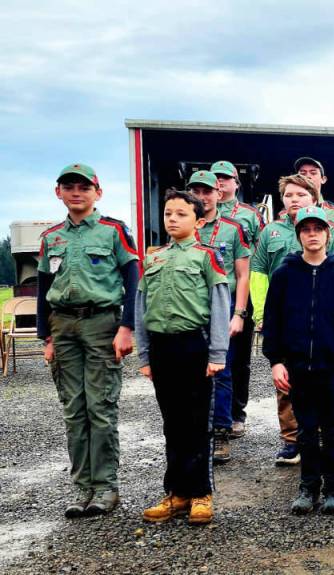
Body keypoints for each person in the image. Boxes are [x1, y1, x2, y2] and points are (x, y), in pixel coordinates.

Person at [36, 163, 139, 518]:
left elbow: (132, 278)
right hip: (63, 327)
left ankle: (106, 488)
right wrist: (45, 337)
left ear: (98, 192)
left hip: (101, 325)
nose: (76, 192)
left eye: (83, 186)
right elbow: (43, 289)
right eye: (68, 187)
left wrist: (127, 327)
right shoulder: (52, 237)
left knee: (100, 407)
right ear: (58, 192)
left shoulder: (113, 231)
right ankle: (82, 488)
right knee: (73, 411)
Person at [262, 206, 334, 515]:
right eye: (306, 230)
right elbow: (272, 321)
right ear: (299, 236)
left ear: (327, 234)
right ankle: (308, 486)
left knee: (332, 429)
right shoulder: (284, 275)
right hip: (297, 368)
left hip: (331, 368)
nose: (312, 235)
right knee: (306, 430)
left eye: (317, 229)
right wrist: (276, 361)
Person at [136, 189, 230, 525]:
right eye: (168, 213)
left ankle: (201, 494)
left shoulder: (207, 257)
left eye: (181, 214)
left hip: (194, 346)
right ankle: (176, 493)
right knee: (171, 423)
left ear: (198, 220)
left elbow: (220, 306)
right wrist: (144, 354)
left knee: (195, 423)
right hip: (162, 348)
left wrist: (217, 352)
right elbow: (141, 308)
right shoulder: (154, 258)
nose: (172, 219)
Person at [250, 174, 334, 466]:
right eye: (289, 195)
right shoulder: (271, 232)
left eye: (301, 195)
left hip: (320, 321)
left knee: (321, 386)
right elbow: (258, 272)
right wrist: (260, 313)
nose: (295, 199)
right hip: (285, 317)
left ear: (314, 198)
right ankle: (292, 440)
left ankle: (318, 437)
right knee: (286, 384)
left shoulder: (325, 229)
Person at [188, 170, 251, 464]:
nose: (202, 198)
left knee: (222, 370)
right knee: (193, 372)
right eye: (196, 192)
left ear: (218, 192)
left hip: (222, 306)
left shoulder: (232, 228)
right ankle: (198, 432)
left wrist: (239, 313)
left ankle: (222, 432)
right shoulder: (185, 225)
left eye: (207, 191)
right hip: (191, 307)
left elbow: (243, 273)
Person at [211, 160, 262, 440]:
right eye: (216, 178)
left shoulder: (250, 215)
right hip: (210, 296)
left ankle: (237, 412)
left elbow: (261, 249)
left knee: (239, 357)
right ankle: (216, 415)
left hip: (243, 290)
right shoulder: (199, 212)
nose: (220, 183)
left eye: (225, 178)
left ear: (236, 183)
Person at [295, 156, 334, 255]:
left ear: (323, 179)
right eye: (302, 173)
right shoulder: (285, 214)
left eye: (313, 173)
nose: (308, 176)